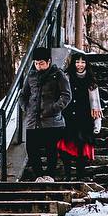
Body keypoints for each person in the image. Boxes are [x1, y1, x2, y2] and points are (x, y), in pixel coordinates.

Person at [20, 46, 71, 180]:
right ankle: (39, 176)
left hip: (52, 121)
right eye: (36, 63)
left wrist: (54, 108)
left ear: (48, 61)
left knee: (51, 151)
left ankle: (50, 176)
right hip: (33, 121)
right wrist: (27, 108)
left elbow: (66, 95)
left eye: (41, 63)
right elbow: (22, 95)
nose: (38, 66)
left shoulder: (57, 74)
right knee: (31, 150)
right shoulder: (31, 75)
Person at [59, 52, 102, 178]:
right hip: (68, 116)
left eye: (83, 62)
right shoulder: (66, 77)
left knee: (81, 147)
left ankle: (80, 175)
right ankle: (67, 175)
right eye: (77, 62)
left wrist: (97, 122)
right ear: (73, 63)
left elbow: (96, 102)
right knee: (65, 146)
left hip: (84, 118)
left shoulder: (91, 81)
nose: (80, 65)